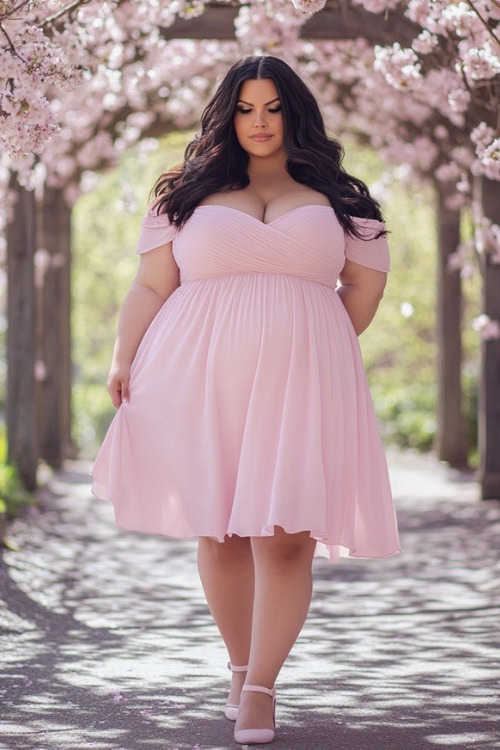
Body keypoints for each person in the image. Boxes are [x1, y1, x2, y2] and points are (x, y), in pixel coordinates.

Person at [90, 54, 401, 745]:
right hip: (199, 377)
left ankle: (261, 688)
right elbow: (150, 286)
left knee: (288, 539)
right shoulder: (185, 195)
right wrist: (123, 355)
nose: (259, 122)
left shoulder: (343, 202)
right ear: (227, 115)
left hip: (302, 384)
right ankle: (238, 666)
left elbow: (365, 291)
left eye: (272, 108)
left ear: (295, 113)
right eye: (245, 108)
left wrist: (308, 344)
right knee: (223, 531)